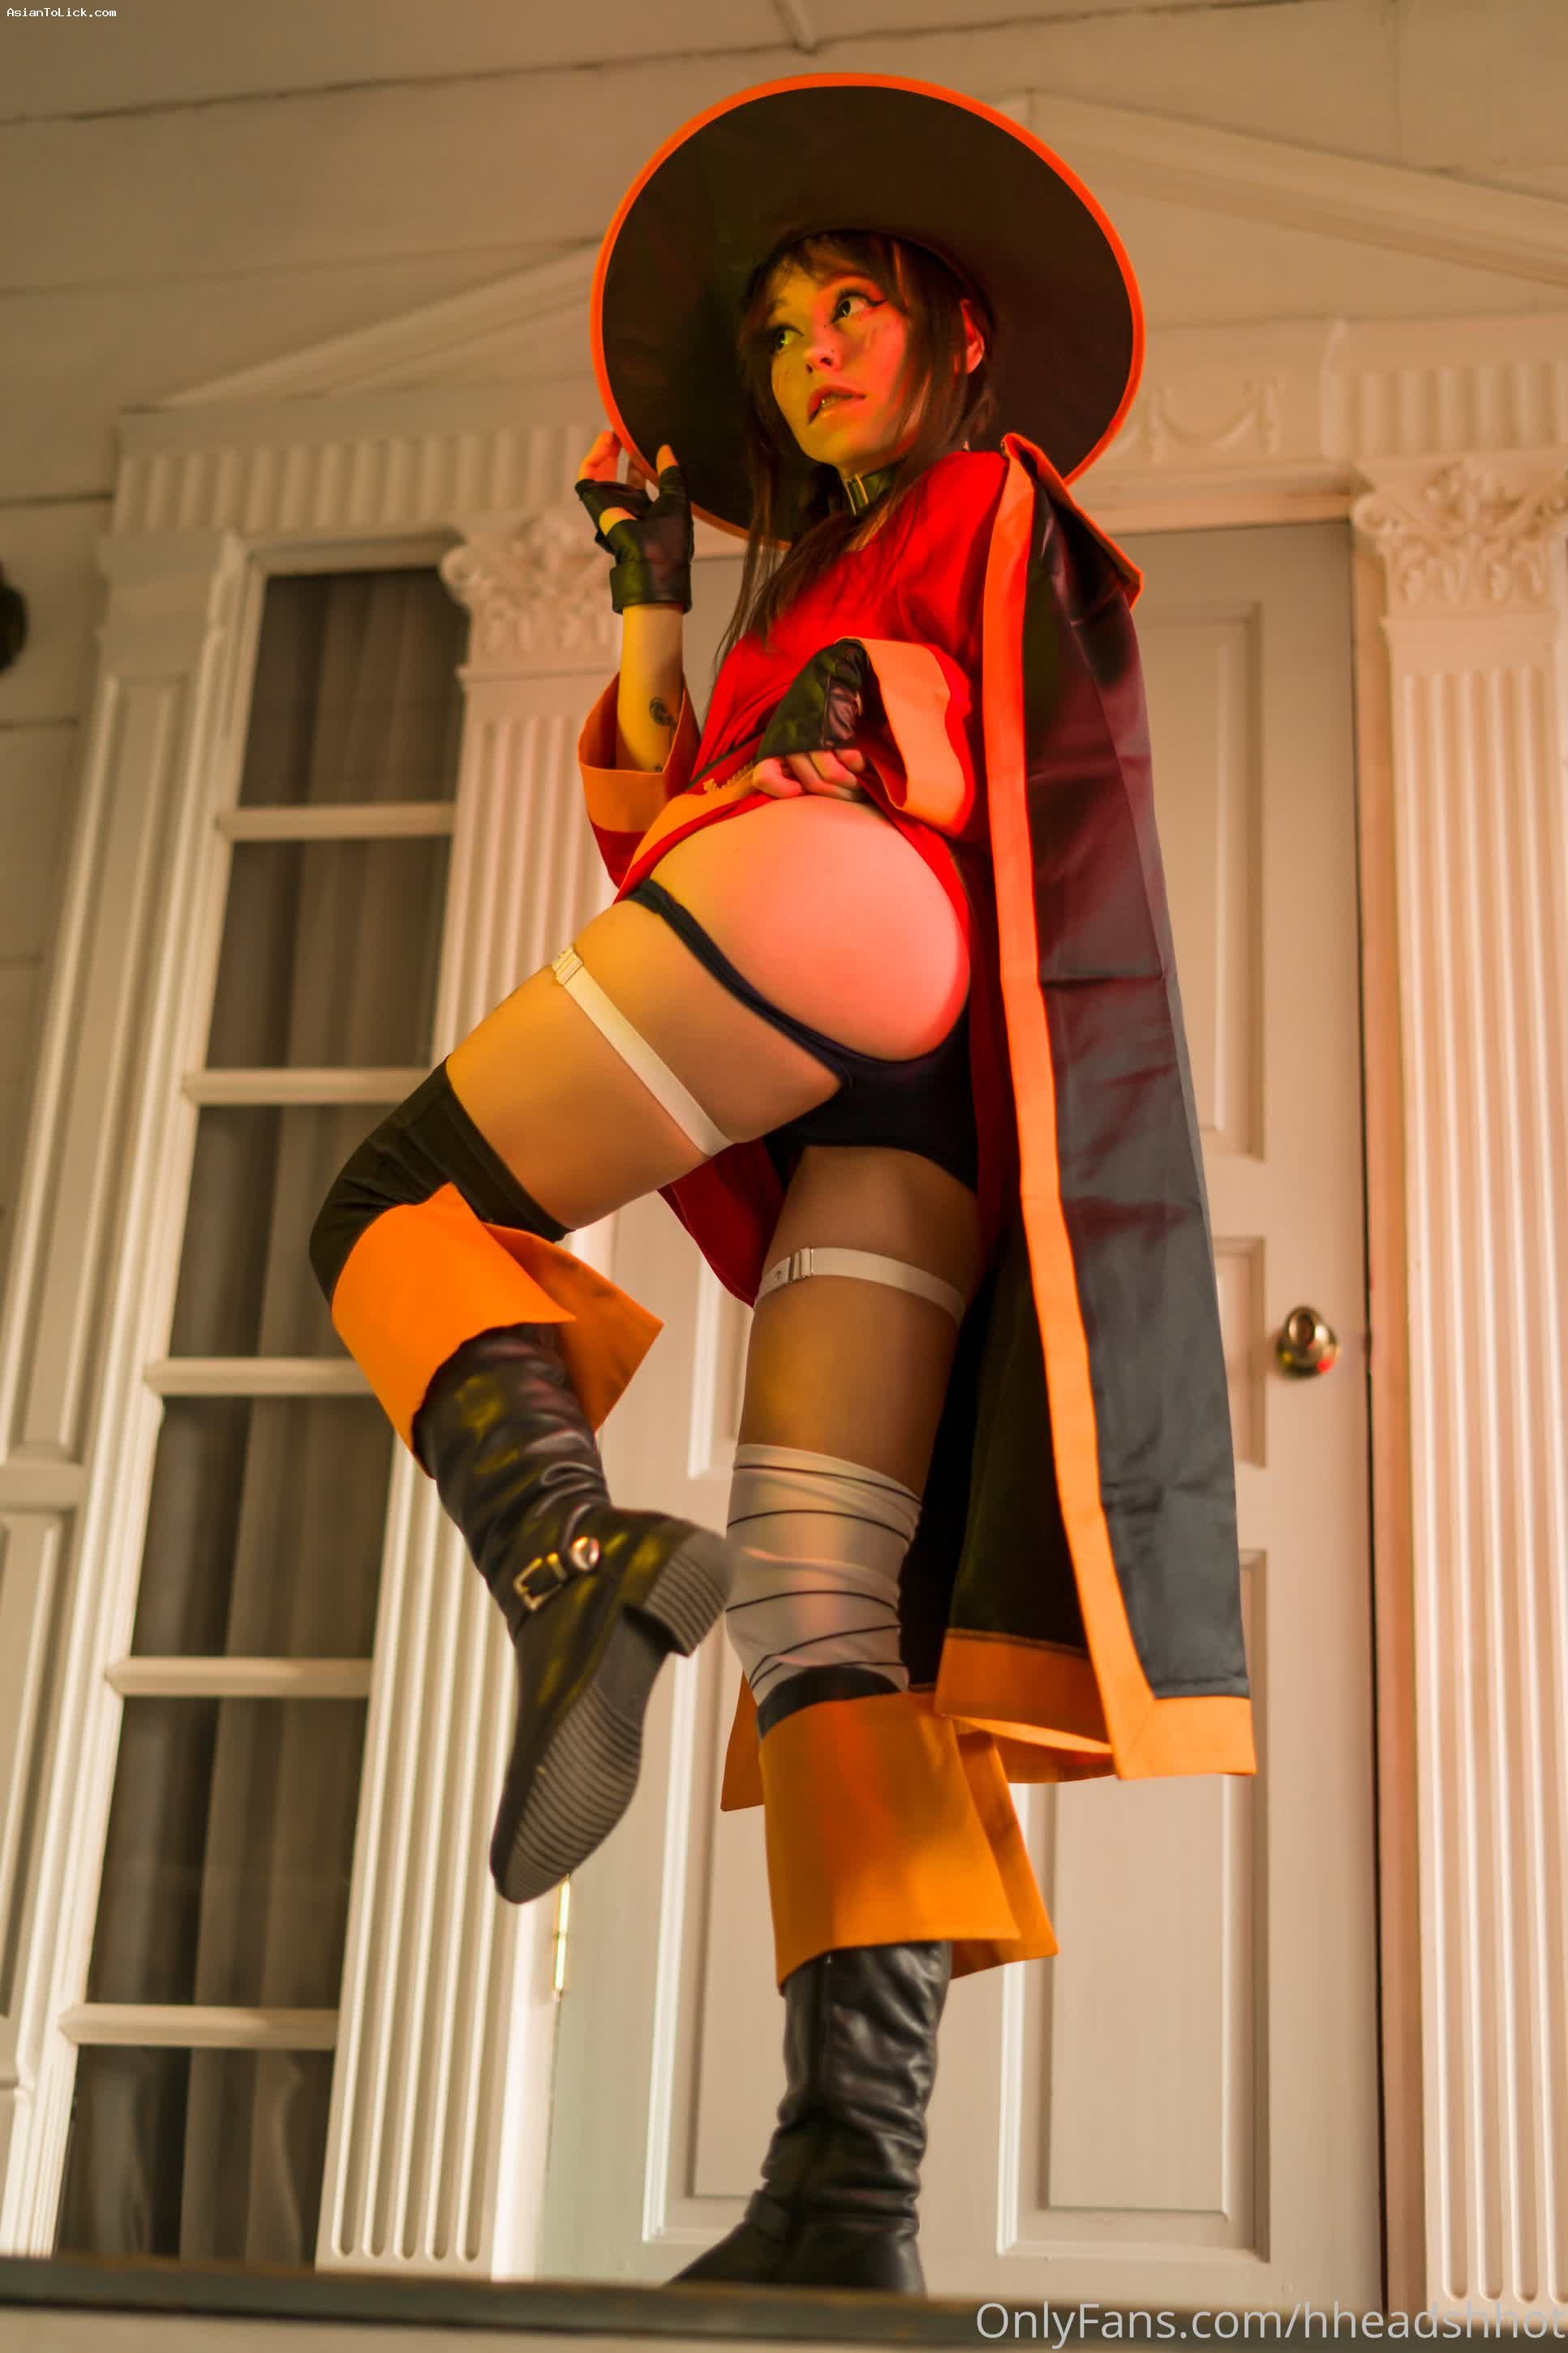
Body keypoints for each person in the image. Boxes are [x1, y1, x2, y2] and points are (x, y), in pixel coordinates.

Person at [309, 73, 1256, 2295]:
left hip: (865, 917)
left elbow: (987, 729)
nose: (808, 353)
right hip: (879, 1109)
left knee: (390, 1202)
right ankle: (848, 2192)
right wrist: (656, 611)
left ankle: (573, 1561)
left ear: (957, 334)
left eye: (850, 309)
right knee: (831, 1609)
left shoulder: (988, 498)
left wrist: (860, 704)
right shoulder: (791, 575)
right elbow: (674, 843)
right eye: (778, 332)